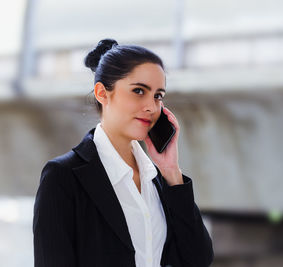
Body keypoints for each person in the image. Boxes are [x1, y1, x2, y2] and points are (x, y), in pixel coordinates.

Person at [33, 39, 214, 267]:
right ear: (102, 93)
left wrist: (171, 172)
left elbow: (198, 259)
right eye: (139, 91)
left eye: (158, 96)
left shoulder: (157, 179)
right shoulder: (63, 177)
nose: (151, 106)